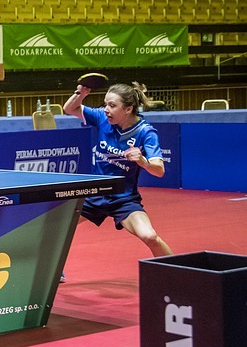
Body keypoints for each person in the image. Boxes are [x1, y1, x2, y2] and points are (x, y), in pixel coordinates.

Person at [64, 82, 174, 261]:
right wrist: (80, 94)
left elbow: (159, 170)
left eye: (112, 105)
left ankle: (177, 271)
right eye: (105, 104)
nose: (106, 109)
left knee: (150, 236)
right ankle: (51, 271)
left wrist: (143, 161)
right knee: (57, 228)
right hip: (95, 193)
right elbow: (69, 109)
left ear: (128, 109)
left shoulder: (145, 132)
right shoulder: (102, 118)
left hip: (123, 199)